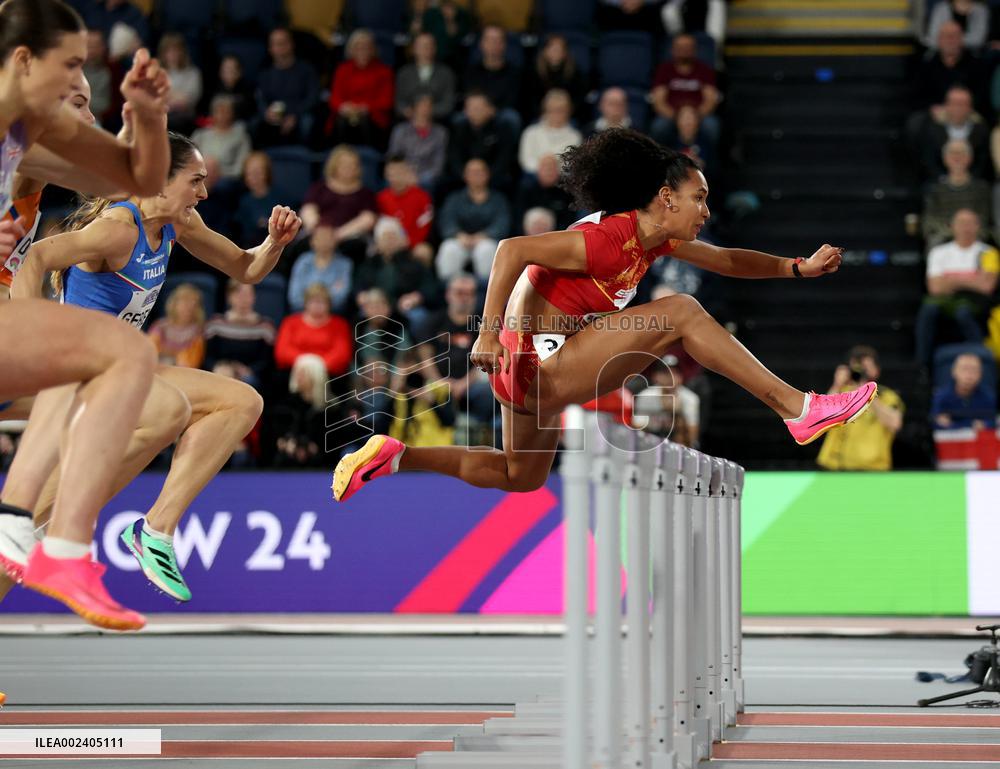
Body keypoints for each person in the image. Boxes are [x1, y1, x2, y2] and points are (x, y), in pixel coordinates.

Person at [331, 129, 877, 503]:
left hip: (528, 374)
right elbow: (510, 252)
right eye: (699, 198)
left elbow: (726, 259)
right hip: (532, 361)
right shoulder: (609, 240)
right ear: (666, 197)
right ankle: (796, 407)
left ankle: (394, 457)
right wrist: (494, 335)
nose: (706, 211)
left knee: (517, 475)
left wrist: (796, 269)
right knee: (682, 311)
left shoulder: (654, 239)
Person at [13, 131, 302, 608]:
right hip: (80, 376)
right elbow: (39, 256)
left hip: (121, 375)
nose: (205, 193)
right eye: (196, 180)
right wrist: (29, 337)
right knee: (27, 521)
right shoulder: (117, 229)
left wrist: (273, 242)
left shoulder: (177, 222)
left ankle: (156, 530)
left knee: (241, 401)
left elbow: (246, 269)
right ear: (159, 181)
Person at [0, 0, 171, 630]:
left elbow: (134, 177)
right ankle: (24, 524)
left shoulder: (28, 135)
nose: (84, 83)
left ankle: (50, 541)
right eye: (72, 68)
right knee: (101, 355)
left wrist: (148, 119)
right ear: (23, 61)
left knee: (115, 353)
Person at [915, 208, 998, 365]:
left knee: (964, 313)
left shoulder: (988, 252)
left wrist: (951, 279)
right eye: (961, 223)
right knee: (928, 310)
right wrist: (972, 279)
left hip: (974, 301)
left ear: (978, 226)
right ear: (952, 226)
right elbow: (935, 288)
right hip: (945, 299)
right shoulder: (939, 252)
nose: (965, 227)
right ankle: (922, 365)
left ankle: (983, 361)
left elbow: (987, 286)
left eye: (970, 223)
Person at [817, 346, 904, 471]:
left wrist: (868, 394)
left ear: (876, 370)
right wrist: (837, 384)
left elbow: (895, 423)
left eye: (865, 368)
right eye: (856, 369)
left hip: (871, 470)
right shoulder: (840, 394)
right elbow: (819, 416)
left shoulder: (887, 397)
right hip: (834, 468)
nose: (860, 373)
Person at [354, 216, 441, 326]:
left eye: (393, 237)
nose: (389, 241)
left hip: (404, 306)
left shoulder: (414, 263)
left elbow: (430, 287)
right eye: (385, 237)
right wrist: (360, 295)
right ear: (377, 242)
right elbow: (358, 286)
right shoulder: (368, 264)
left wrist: (417, 297)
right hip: (375, 306)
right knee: (359, 317)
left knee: (420, 317)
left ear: (401, 240)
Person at [437, 158, 511, 282]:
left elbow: (502, 223)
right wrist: (458, 235)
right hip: (460, 240)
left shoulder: (498, 200)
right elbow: (446, 221)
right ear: (465, 176)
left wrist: (484, 235)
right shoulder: (454, 198)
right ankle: (449, 290)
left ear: (487, 175)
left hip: (487, 239)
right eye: (472, 172)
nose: (476, 175)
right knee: (448, 249)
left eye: (479, 172)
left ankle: (485, 293)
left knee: (486, 251)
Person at [300, 145, 377, 258]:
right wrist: (320, 231)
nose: (349, 168)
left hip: (350, 237)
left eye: (353, 165)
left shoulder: (365, 193)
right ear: (334, 166)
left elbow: (368, 218)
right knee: (300, 245)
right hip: (319, 233)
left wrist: (337, 235)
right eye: (344, 165)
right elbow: (308, 211)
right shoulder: (319, 188)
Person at [326, 29, 393, 148]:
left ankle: (369, 156)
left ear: (373, 50)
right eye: (358, 48)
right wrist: (344, 107)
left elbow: (386, 101)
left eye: (367, 47)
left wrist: (366, 108)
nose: (363, 51)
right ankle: (341, 156)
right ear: (351, 50)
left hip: (372, 117)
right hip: (346, 115)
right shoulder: (343, 70)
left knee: (364, 122)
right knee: (341, 122)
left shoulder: (384, 71)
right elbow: (334, 98)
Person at [204, 280, 276, 390]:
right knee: (221, 378)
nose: (243, 299)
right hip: (222, 371)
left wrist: (248, 370)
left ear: (254, 297)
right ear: (229, 297)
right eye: (238, 294)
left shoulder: (265, 326)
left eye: (247, 294)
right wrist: (219, 367)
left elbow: (267, 362)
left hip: (250, 375)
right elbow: (207, 358)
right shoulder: (216, 323)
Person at [651, 34, 720, 146]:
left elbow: (710, 100)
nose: (684, 50)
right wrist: (678, 117)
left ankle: (711, 160)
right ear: (673, 49)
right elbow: (658, 101)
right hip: (671, 115)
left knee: (712, 126)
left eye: (688, 47)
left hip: (699, 115)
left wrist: (693, 117)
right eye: (680, 47)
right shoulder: (664, 69)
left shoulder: (705, 70)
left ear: (695, 50)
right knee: (659, 127)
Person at [254, 27, 319, 147]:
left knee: (307, 123)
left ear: (291, 44)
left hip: (299, 113)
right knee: (255, 124)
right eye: (276, 44)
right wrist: (266, 112)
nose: (280, 47)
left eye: (283, 43)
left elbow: (313, 97)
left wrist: (295, 115)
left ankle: (306, 160)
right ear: (270, 49)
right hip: (274, 116)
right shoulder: (265, 74)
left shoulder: (306, 70)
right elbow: (260, 98)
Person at [274, 282, 353, 377]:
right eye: (313, 301)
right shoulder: (290, 322)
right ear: (305, 303)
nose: (317, 305)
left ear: (329, 304)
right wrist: (306, 363)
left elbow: (342, 353)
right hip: (294, 371)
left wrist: (317, 366)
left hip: (328, 373)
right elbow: (282, 351)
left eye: (321, 302)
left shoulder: (340, 324)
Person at [923, 139, 991, 247]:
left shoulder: (981, 188)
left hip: (974, 236)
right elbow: (929, 221)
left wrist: (966, 229)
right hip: (944, 237)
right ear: (945, 158)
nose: (957, 157)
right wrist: (955, 230)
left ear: (970, 158)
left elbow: (985, 218)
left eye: (962, 153)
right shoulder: (935, 189)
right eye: (952, 153)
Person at [446, 91, 517, 191]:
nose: (474, 111)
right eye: (470, 107)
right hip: (464, 177)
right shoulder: (459, 129)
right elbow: (454, 157)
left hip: (493, 176)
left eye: (478, 108)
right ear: (465, 111)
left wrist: (485, 176)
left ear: (491, 110)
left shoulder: (503, 129)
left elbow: (504, 158)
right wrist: (466, 175)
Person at [918, 86, 990, 180]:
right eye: (954, 103)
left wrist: (970, 180)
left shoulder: (981, 130)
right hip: (940, 183)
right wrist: (943, 179)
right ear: (946, 105)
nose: (958, 108)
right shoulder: (933, 129)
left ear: (970, 107)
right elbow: (929, 160)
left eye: (962, 104)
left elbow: (983, 162)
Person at [464, 26, 521, 132]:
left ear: (504, 45)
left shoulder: (514, 73)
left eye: (497, 40)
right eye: (489, 40)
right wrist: (479, 109)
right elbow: (469, 94)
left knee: (511, 117)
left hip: (500, 112)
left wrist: (490, 110)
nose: (493, 44)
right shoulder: (471, 71)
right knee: (459, 119)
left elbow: (513, 100)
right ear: (481, 44)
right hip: (475, 110)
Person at [287, 224, 353, 314]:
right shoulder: (303, 261)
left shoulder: (344, 264)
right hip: (302, 314)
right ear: (312, 241)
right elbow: (294, 296)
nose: (324, 241)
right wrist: (315, 305)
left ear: (335, 240)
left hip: (333, 314)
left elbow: (341, 297)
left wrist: (318, 304)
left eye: (328, 237)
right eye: (320, 237)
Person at [388, 94, 448, 191]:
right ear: (412, 110)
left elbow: (438, 164)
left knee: (428, 183)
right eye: (421, 107)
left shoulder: (440, 133)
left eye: (428, 107)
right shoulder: (400, 131)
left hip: (426, 176)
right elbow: (394, 157)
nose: (425, 110)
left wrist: (419, 178)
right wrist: (405, 175)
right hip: (402, 173)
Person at [376, 156, 434, 256]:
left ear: (407, 173)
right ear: (386, 175)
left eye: (399, 173)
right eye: (391, 174)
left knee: (423, 252)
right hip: (388, 243)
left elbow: (424, 225)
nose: (395, 177)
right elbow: (380, 224)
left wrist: (408, 241)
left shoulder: (422, 197)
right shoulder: (381, 198)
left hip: (413, 243)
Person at [518, 89, 582, 176]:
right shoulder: (531, 132)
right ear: (545, 110)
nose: (556, 114)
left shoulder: (575, 136)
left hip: (561, 178)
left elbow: (572, 165)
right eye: (552, 110)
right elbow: (525, 161)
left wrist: (553, 168)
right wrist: (543, 168)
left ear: (568, 111)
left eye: (560, 110)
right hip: (535, 176)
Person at [522, 35, 586, 120]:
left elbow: (578, 98)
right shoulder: (533, 72)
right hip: (540, 115)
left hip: (567, 116)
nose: (556, 52)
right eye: (553, 49)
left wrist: (565, 113)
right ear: (545, 51)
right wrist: (544, 113)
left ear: (565, 53)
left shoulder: (575, 72)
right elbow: (529, 99)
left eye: (560, 49)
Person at [190, 95, 251, 185]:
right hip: (200, 174)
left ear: (233, 113)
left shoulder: (240, 137)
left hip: (225, 178)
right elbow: (188, 158)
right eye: (218, 111)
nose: (222, 115)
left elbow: (240, 168)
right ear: (212, 113)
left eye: (226, 111)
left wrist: (215, 173)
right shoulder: (200, 134)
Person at [395, 32, 455, 121]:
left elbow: (448, 103)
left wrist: (427, 112)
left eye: (429, 45)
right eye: (421, 45)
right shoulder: (404, 73)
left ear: (435, 48)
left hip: (438, 121)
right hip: (409, 121)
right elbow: (398, 102)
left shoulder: (446, 73)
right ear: (413, 49)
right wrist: (408, 111)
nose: (425, 48)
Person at [931, 352, 996, 429]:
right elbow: (934, 421)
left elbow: (994, 421)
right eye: (964, 369)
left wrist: (985, 424)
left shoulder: (988, 397)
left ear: (981, 374)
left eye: (974, 370)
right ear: (954, 371)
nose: (969, 375)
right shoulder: (941, 397)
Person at [148, 283, 206, 368]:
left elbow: (190, 363)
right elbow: (149, 351)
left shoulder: (198, 332)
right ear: (174, 304)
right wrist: (174, 355)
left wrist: (166, 353)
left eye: (194, 304)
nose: (189, 308)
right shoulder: (160, 326)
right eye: (184, 302)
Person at [515, 154, 576, 232]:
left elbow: (569, 220)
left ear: (558, 171)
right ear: (538, 170)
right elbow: (519, 219)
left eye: (551, 168)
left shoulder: (566, 191)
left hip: (556, 236)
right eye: (545, 168)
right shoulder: (526, 189)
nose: (548, 172)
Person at [235, 151, 282, 246]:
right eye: (249, 174)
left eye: (257, 173)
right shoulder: (244, 202)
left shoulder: (280, 198)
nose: (253, 178)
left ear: (267, 173)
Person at [157, 33, 201, 133]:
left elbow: (188, 100)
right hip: (161, 117)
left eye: (176, 50)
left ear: (182, 52)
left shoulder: (193, 73)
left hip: (184, 119)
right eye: (169, 51)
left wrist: (169, 97)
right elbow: (155, 98)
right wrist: (176, 96)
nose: (173, 54)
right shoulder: (157, 73)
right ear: (163, 53)